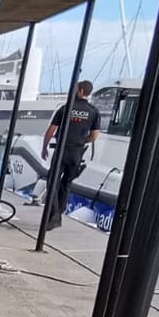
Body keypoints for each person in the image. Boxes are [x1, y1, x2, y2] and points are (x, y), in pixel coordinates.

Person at [41, 80, 102, 225]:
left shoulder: (65, 108)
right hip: (77, 152)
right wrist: (81, 141)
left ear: (80, 91)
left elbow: (51, 130)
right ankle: (59, 213)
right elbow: (94, 137)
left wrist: (44, 147)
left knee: (52, 181)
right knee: (66, 183)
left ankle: (54, 213)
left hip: (62, 149)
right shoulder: (94, 112)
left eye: (75, 89)